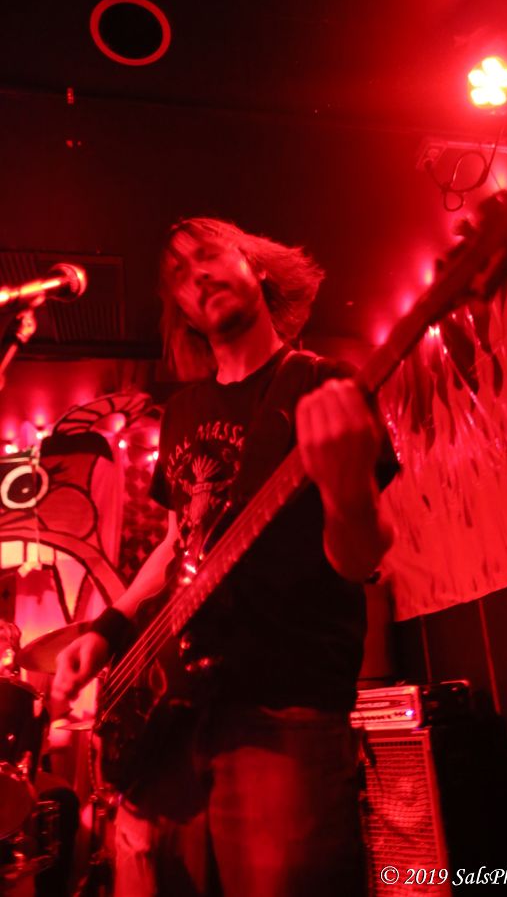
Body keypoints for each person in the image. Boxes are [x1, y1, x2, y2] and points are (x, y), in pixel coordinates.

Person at [52, 217, 395, 896]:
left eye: (209, 254)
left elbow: (362, 561)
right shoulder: (183, 410)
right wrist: (107, 629)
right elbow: (179, 542)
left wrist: (348, 491)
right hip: (176, 724)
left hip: (282, 714)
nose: (197, 275)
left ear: (256, 267)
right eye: (179, 274)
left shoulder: (322, 384)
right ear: (181, 310)